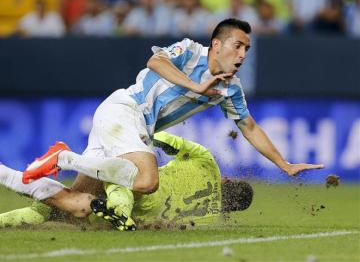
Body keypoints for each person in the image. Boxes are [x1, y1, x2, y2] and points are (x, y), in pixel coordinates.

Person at [20, 18, 324, 228]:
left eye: (247, 49)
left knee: (76, 206)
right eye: (238, 46)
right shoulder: (190, 51)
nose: (242, 54)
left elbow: (250, 128)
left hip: (130, 126)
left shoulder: (230, 89)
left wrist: (284, 164)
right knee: (147, 181)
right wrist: (196, 87)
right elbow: (155, 62)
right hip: (126, 110)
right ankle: (63, 157)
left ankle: (13, 187)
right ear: (216, 44)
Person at [0, 132, 253, 230]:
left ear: (227, 178)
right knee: (73, 204)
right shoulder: (210, 219)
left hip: (141, 185)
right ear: (229, 207)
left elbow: (168, 141)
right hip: (140, 212)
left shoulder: (207, 162)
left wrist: (142, 136)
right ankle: (119, 212)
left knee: (51, 207)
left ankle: (118, 209)